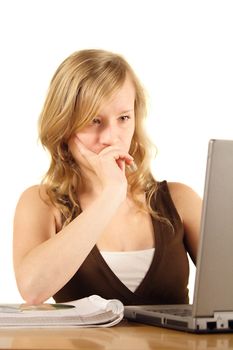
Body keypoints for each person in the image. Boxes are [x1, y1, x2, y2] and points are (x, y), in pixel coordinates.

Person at [13, 49, 202, 306]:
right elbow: (33, 290)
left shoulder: (180, 200)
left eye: (123, 118)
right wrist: (111, 193)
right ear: (64, 125)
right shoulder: (42, 203)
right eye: (94, 120)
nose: (111, 137)